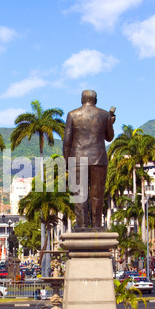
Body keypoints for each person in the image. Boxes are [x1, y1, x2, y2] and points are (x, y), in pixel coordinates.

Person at [63, 90, 116, 228]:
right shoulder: (104, 114)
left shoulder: (72, 115)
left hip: (78, 158)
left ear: (82, 99)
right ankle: (97, 225)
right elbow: (109, 137)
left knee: (79, 195)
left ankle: (82, 225)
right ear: (95, 100)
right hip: (98, 159)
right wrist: (110, 123)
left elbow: (67, 141)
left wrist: (66, 161)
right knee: (97, 194)